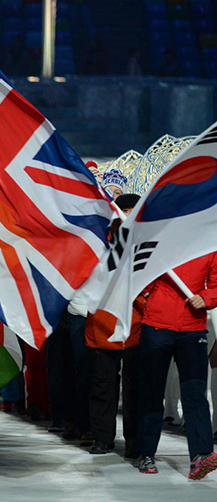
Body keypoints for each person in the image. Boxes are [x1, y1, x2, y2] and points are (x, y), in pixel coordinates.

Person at [137, 252, 217, 479]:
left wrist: (207, 297)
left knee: (195, 393)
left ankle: (201, 455)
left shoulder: (209, 247)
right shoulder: (163, 241)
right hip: (156, 325)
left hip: (193, 327)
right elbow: (141, 279)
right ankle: (146, 452)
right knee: (152, 392)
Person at [86, 194, 142, 459]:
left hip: (137, 325)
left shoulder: (147, 244)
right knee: (102, 386)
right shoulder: (99, 244)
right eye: (125, 209)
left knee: (135, 389)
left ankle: (134, 441)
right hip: (104, 324)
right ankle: (101, 438)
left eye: (134, 210)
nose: (128, 215)